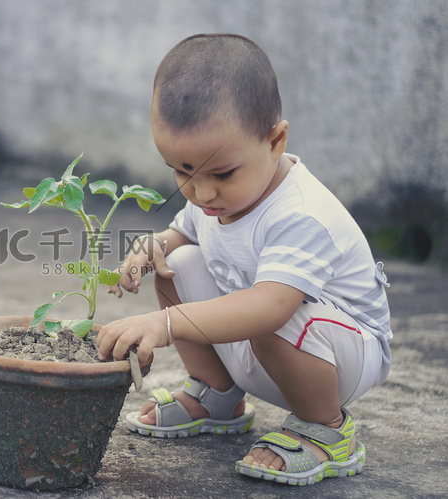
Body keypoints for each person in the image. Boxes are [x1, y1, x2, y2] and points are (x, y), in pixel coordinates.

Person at [95, 33, 392, 486]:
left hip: (338, 356)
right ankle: (217, 395)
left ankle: (327, 430)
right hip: (267, 344)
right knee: (180, 262)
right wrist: (149, 247)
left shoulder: (301, 214)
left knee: (273, 311)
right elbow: (182, 232)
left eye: (222, 173)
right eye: (182, 171)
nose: (202, 192)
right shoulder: (214, 195)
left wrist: (166, 325)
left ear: (275, 141)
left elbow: (271, 307)